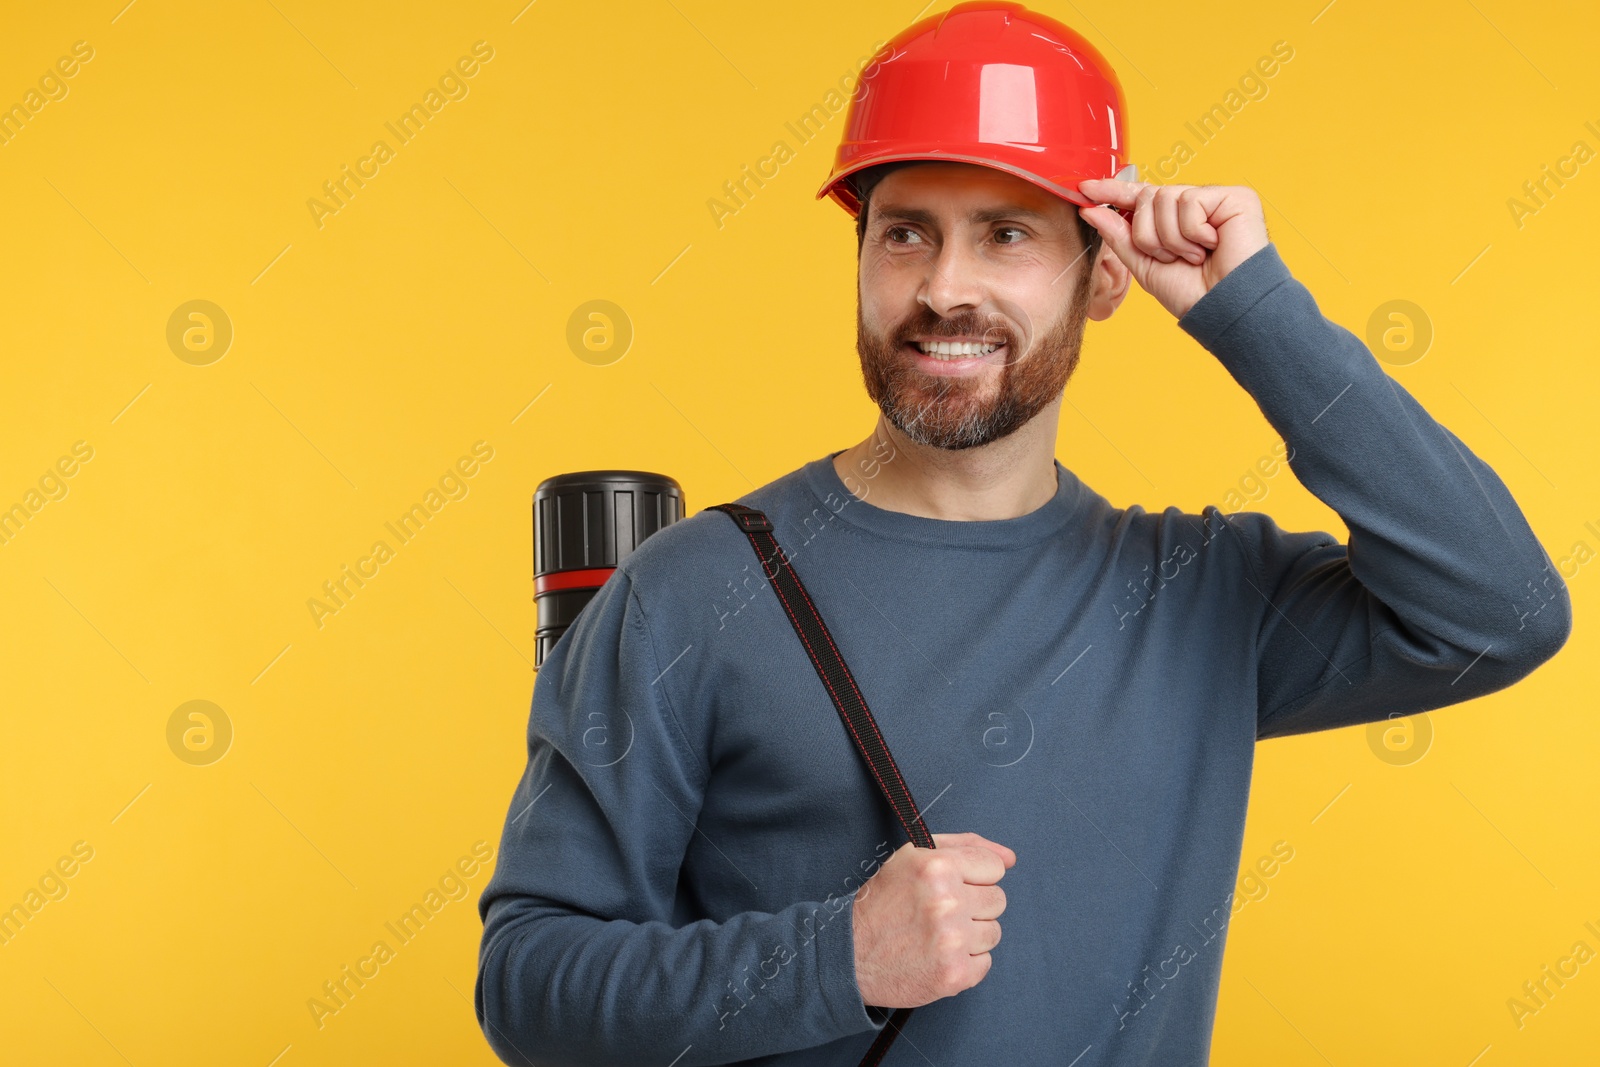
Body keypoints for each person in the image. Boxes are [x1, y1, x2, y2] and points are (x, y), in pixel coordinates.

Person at [475, 4, 1572, 1065]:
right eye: (905, 233)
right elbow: (527, 982)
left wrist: (1254, 313)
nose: (944, 288)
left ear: (1106, 276)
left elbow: (1501, 608)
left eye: (1005, 235)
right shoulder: (688, 591)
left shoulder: (1197, 596)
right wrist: (832, 957)